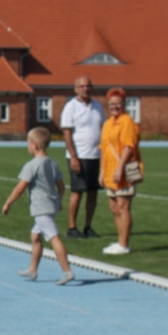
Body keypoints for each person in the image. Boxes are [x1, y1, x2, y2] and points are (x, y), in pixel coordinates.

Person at [2, 127, 74, 286]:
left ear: (34, 145)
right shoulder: (52, 163)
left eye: (28, 143)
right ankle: (33, 270)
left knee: (53, 237)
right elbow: (61, 186)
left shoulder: (32, 165)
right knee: (35, 236)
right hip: (51, 205)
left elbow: (20, 187)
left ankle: (67, 271)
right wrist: (59, 200)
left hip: (41, 209)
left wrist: (8, 202)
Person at [59, 75, 105, 238]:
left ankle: (88, 226)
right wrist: (73, 157)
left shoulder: (98, 106)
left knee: (93, 192)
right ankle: (72, 227)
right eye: (82, 86)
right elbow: (67, 133)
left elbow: (103, 129)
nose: (86, 89)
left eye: (88, 86)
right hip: (80, 155)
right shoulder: (71, 107)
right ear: (76, 89)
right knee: (77, 191)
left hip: (96, 156)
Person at [98, 88, 142, 255]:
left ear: (124, 104)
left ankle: (124, 244)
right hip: (109, 170)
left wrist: (119, 168)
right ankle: (119, 241)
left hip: (124, 170)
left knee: (123, 206)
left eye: (118, 103)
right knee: (114, 207)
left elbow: (128, 147)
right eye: (112, 104)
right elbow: (103, 148)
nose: (115, 107)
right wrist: (101, 172)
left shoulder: (127, 122)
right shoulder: (107, 123)